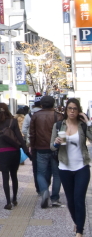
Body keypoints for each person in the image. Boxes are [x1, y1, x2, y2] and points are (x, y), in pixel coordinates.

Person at [51, 98, 92, 237]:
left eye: (75, 108)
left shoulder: (82, 126)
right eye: (70, 108)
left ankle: (79, 231)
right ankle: (78, 222)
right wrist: (56, 143)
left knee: (79, 198)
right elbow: (51, 146)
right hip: (64, 168)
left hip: (82, 166)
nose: (72, 111)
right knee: (71, 201)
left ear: (78, 110)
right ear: (66, 110)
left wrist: (88, 122)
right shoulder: (58, 125)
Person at [0, 103, 30, 210]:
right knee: (14, 176)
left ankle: (8, 202)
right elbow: (20, 138)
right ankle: (15, 198)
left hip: (3, 153)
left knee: (5, 178)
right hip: (14, 152)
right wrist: (27, 151)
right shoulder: (13, 121)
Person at [29, 95, 64, 208]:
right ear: (53, 104)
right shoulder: (59, 116)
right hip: (55, 148)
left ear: (41, 104)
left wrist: (33, 147)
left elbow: (32, 134)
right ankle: (55, 198)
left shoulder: (35, 116)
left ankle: (44, 191)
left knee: (40, 173)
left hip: (40, 148)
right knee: (57, 174)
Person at [22, 94, 43, 194]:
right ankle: (45, 186)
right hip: (46, 143)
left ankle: (38, 188)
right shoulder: (47, 113)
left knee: (36, 166)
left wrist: (29, 137)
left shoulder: (28, 115)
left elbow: (24, 129)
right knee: (46, 166)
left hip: (33, 144)